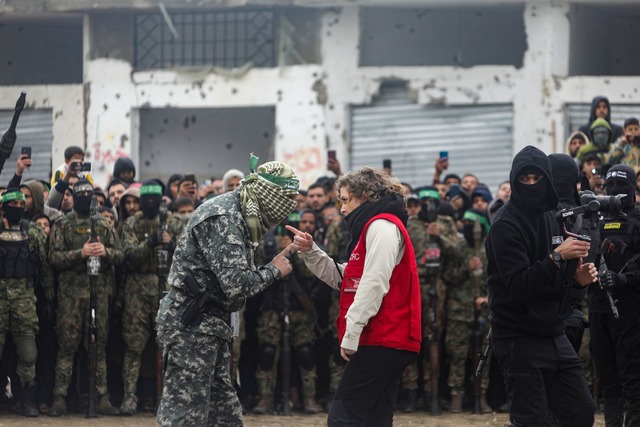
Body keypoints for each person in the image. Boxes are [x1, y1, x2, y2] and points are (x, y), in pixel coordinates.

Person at [155, 156, 299, 426]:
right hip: (192, 326)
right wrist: (274, 269)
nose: (288, 206)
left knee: (226, 416)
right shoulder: (224, 216)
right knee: (185, 415)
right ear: (267, 193)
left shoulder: (242, 214)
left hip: (211, 325)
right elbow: (236, 284)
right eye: (285, 197)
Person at [287, 167, 421, 426]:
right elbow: (347, 278)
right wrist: (312, 252)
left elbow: (374, 282)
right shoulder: (375, 227)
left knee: (343, 415)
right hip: (388, 337)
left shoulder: (381, 226)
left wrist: (352, 331)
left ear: (366, 196)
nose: (342, 209)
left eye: (346, 200)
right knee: (375, 417)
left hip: (383, 335)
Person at [486, 145, 597, 426]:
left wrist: (577, 279)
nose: (532, 185)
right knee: (532, 420)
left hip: (553, 332)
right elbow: (519, 287)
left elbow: (555, 281)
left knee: (581, 411)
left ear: (547, 179)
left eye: (537, 179)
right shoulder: (505, 225)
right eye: (525, 179)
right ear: (515, 180)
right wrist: (558, 257)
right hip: (517, 335)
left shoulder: (551, 216)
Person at [48, 179, 125, 416]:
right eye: (78, 194)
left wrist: (106, 252)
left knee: (98, 346)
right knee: (67, 346)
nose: (82, 197)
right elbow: (53, 258)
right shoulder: (62, 223)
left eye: (86, 194)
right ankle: (59, 396)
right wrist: (79, 254)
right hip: (70, 295)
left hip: (98, 292)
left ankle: (101, 396)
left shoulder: (103, 224)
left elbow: (120, 256)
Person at [119, 180, 183, 415]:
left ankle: (169, 396)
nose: (150, 204)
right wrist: (150, 242)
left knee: (169, 346)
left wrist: (171, 244)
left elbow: (188, 255)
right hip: (138, 289)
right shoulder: (132, 223)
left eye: (154, 200)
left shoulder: (174, 223)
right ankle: (129, 396)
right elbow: (129, 257)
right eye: (145, 200)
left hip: (167, 287)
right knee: (133, 345)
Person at [590, 164, 640, 426]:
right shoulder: (593, 219)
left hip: (630, 311)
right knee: (608, 381)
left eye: (621, 185)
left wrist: (622, 278)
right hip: (599, 307)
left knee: (633, 380)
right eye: (610, 186)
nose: (615, 191)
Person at [0, 189, 54, 417]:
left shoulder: (33, 232)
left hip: (24, 301)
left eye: (20, 204)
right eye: (11, 204)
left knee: (29, 354)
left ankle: (27, 399)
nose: (16, 207)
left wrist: (49, 297)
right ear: (3, 207)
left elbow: (44, 267)